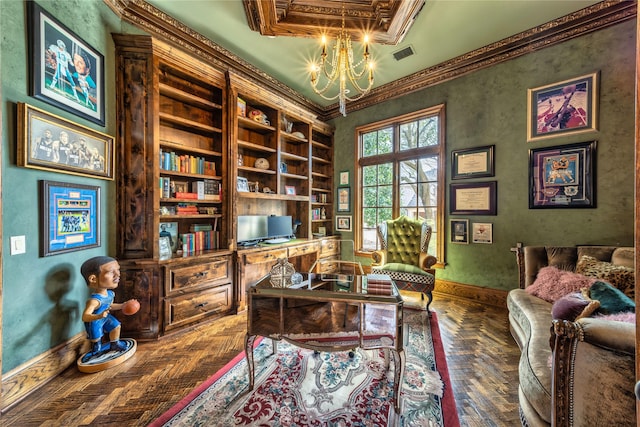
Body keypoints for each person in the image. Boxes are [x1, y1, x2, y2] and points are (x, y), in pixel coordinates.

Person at [80, 256, 133, 360]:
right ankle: (96, 351)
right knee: (96, 338)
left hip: (104, 318)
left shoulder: (110, 294)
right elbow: (85, 317)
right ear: (93, 279)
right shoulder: (94, 301)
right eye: (110, 272)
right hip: (94, 321)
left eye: (117, 270)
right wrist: (99, 316)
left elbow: (109, 306)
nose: (118, 274)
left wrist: (122, 305)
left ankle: (115, 344)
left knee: (116, 326)